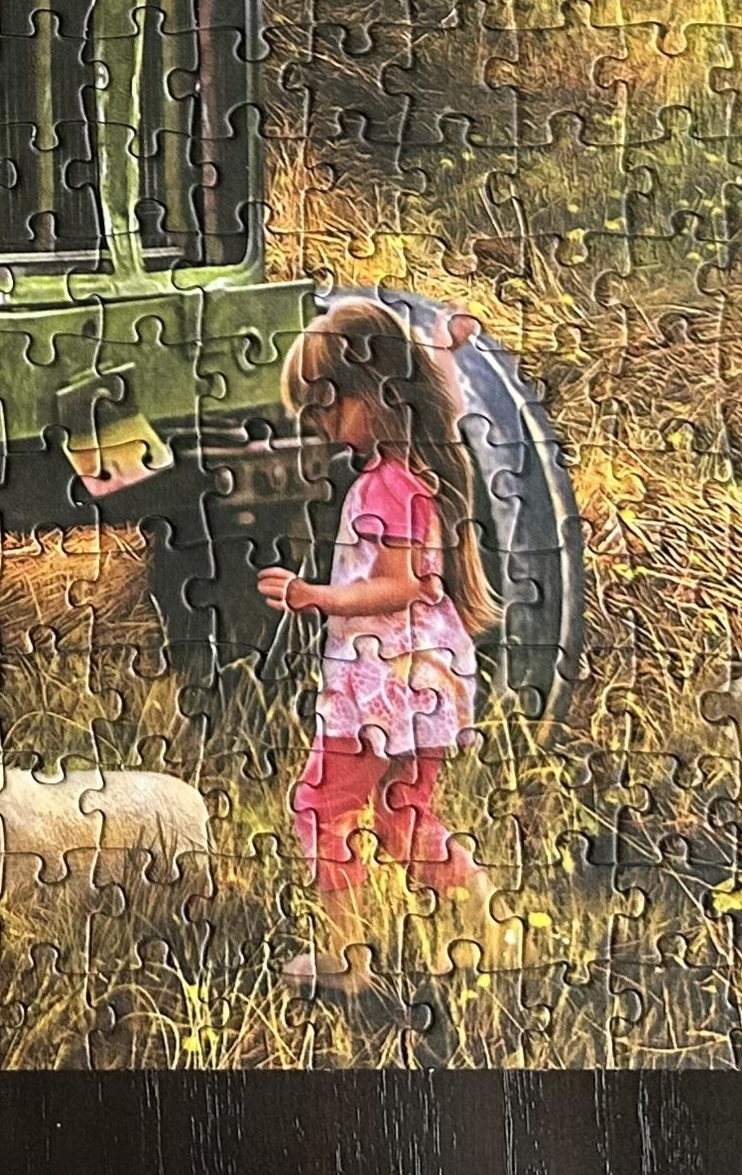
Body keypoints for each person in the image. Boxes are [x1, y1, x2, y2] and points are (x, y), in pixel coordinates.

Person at [259, 295, 503, 989]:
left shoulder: (382, 488)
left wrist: (317, 597)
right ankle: (492, 926)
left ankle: (345, 961)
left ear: (373, 393)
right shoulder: (414, 468)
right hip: (428, 677)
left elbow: (403, 584)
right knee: (404, 816)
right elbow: (439, 393)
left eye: (329, 405)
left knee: (322, 806)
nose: (324, 425)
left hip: (383, 683)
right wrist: (442, 349)